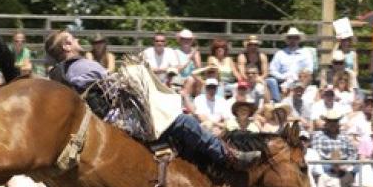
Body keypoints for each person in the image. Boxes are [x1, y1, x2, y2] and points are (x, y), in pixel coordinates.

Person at [44, 29, 262, 170]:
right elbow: (118, 83)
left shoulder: (64, 74)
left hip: (106, 119)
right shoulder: (84, 66)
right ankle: (228, 157)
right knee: (184, 122)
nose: (78, 40)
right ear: (66, 46)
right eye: (73, 39)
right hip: (121, 119)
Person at [268, 27, 315, 102]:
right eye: (290, 38)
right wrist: (283, 77)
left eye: (295, 38)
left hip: (300, 80)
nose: (293, 40)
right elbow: (272, 70)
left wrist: (297, 78)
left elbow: (309, 69)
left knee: (306, 78)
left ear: (299, 39)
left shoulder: (306, 53)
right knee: (271, 81)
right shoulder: (280, 53)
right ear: (287, 40)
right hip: (283, 81)